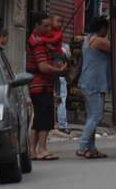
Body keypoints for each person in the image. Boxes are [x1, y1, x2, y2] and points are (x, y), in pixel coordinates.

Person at [26, 12, 66, 160]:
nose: (49, 29)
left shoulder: (39, 41)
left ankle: (32, 150)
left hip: (41, 85)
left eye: (50, 25)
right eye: (46, 26)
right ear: (37, 26)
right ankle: (42, 149)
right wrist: (58, 70)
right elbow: (42, 67)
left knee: (39, 119)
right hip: (40, 85)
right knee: (44, 119)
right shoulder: (37, 43)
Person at [76, 18, 111, 159]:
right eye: (106, 29)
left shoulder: (88, 39)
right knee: (96, 116)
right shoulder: (99, 41)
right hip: (94, 83)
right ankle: (82, 146)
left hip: (87, 82)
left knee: (91, 117)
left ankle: (91, 149)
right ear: (102, 28)